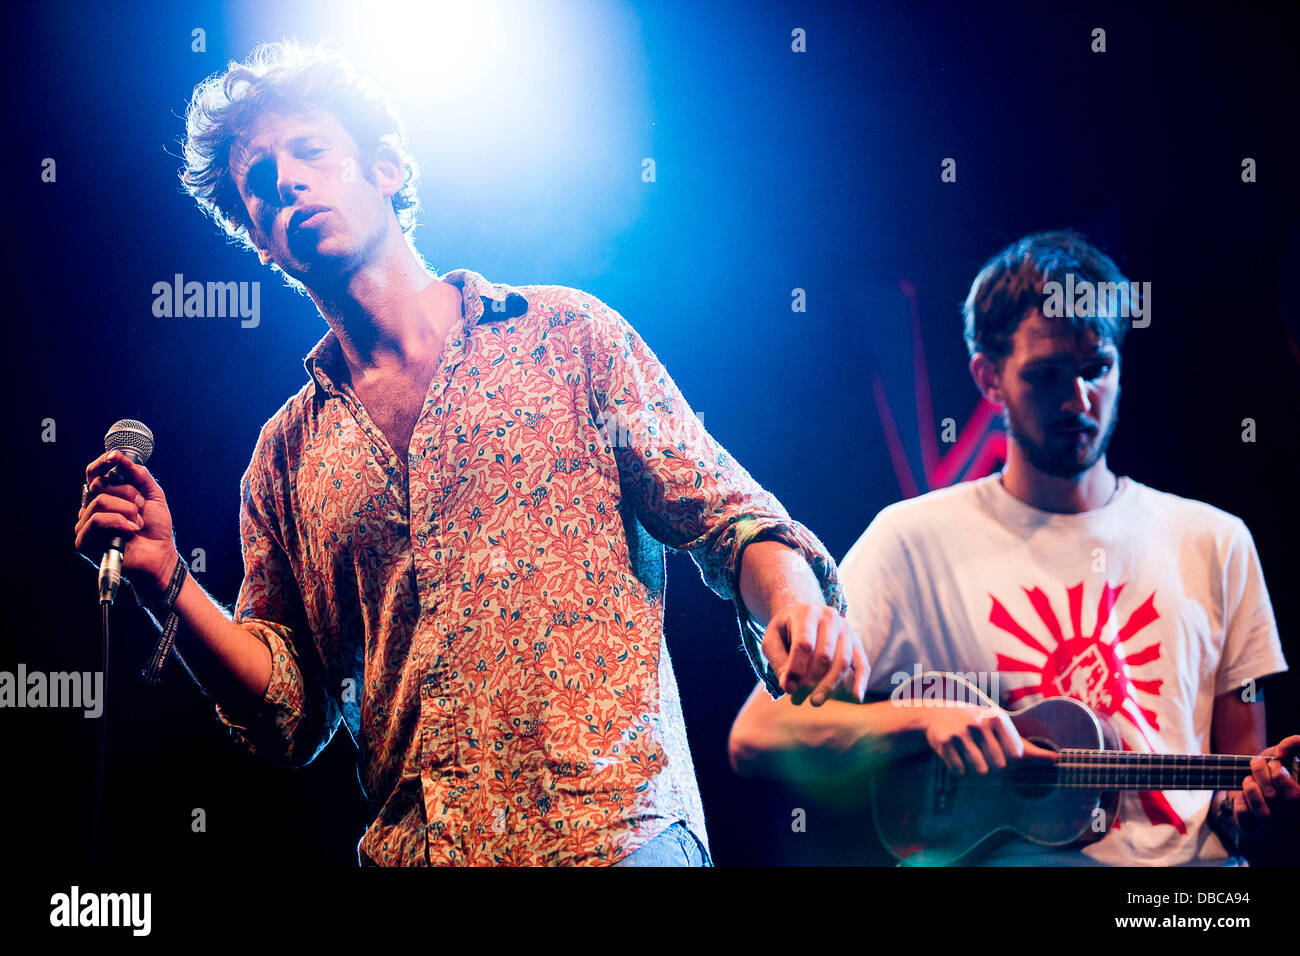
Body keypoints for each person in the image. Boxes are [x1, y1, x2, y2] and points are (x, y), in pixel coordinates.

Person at [74, 41, 868, 867]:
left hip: (612, 837)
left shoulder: (568, 334)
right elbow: (288, 714)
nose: (287, 183)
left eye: (309, 151)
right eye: (259, 187)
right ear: (264, 247)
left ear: (385, 169)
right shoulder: (283, 459)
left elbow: (731, 516)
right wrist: (167, 581)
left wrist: (796, 605)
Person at [729, 231, 1300, 865]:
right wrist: (921, 721)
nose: (1077, 399)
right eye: (1047, 375)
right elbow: (759, 733)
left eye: (1096, 369)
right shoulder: (913, 539)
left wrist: (1253, 805)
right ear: (988, 377)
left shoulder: (1217, 541)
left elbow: (1238, 786)